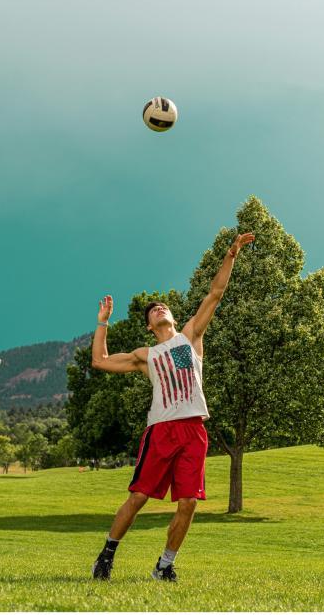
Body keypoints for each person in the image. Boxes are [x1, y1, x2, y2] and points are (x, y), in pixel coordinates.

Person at [91, 232, 255, 582]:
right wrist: (103, 321)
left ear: (172, 318)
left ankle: (165, 565)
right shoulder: (145, 356)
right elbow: (100, 361)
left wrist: (231, 254)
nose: (158, 309)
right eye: (153, 311)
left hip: (194, 429)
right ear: (150, 326)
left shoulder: (191, 337)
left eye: (162, 307)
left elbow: (216, 293)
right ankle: (106, 555)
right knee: (138, 499)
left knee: (189, 503)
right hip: (162, 431)